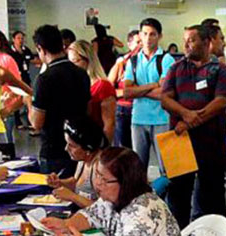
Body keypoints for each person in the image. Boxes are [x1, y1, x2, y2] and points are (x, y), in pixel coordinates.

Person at [41, 147, 191, 236]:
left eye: (105, 180)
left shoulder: (143, 209)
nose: (98, 183)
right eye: (97, 175)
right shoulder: (113, 197)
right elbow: (92, 214)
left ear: (126, 182)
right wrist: (66, 225)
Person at [161, 24, 226, 227]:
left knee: (211, 195)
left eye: (191, 40)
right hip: (179, 142)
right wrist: (186, 115)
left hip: (210, 143)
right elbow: (165, 99)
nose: (186, 44)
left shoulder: (221, 70)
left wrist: (189, 122)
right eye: (185, 39)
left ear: (206, 42)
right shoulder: (175, 68)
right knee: (178, 194)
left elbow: (221, 101)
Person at [28, 25, 90, 175]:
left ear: (40, 48)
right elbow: (88, 110)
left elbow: (36, 123)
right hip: (79, 146)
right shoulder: (81, 74)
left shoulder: (44, 79)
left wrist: (28, 101)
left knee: (54, 195)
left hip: (53, 149)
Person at [124, 18, 175, 171]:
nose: (148, 38)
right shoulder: (132, 61)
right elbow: (127, 92)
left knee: (166, 169)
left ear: (159, 36)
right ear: (140, 35)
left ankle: (165, 196)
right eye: (145, 34)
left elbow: (163, 94)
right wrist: (154, 84)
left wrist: (137, 90)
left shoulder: (166, 60)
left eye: (152, 34)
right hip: (138, 120)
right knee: (138, 169)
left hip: (162, 120)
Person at [46, 117, 108, 208]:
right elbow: (77, 183)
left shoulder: (100, 168)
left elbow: (103, 210)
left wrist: (72, 196)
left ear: (87, 149)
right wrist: (59, 183)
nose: (66, 149)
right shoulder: (83, 160)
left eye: (72, 146)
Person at [68, 40, 116, 144]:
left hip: (95, 141)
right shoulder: (74, 85)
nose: (71, 67)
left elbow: (109, 124)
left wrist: (104, 149)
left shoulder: (103, 86)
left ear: (87, 60)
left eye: (75, 61)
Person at [108, 29, 140, 148]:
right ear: (129, 45)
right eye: (138, 42)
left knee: (137, 149)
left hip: (141, 110)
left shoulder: (146, 63)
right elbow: (108, 89)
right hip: (123, 110)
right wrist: (128, 92)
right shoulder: (122, 63)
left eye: (142, 42)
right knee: (122, 149)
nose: (141, 45)